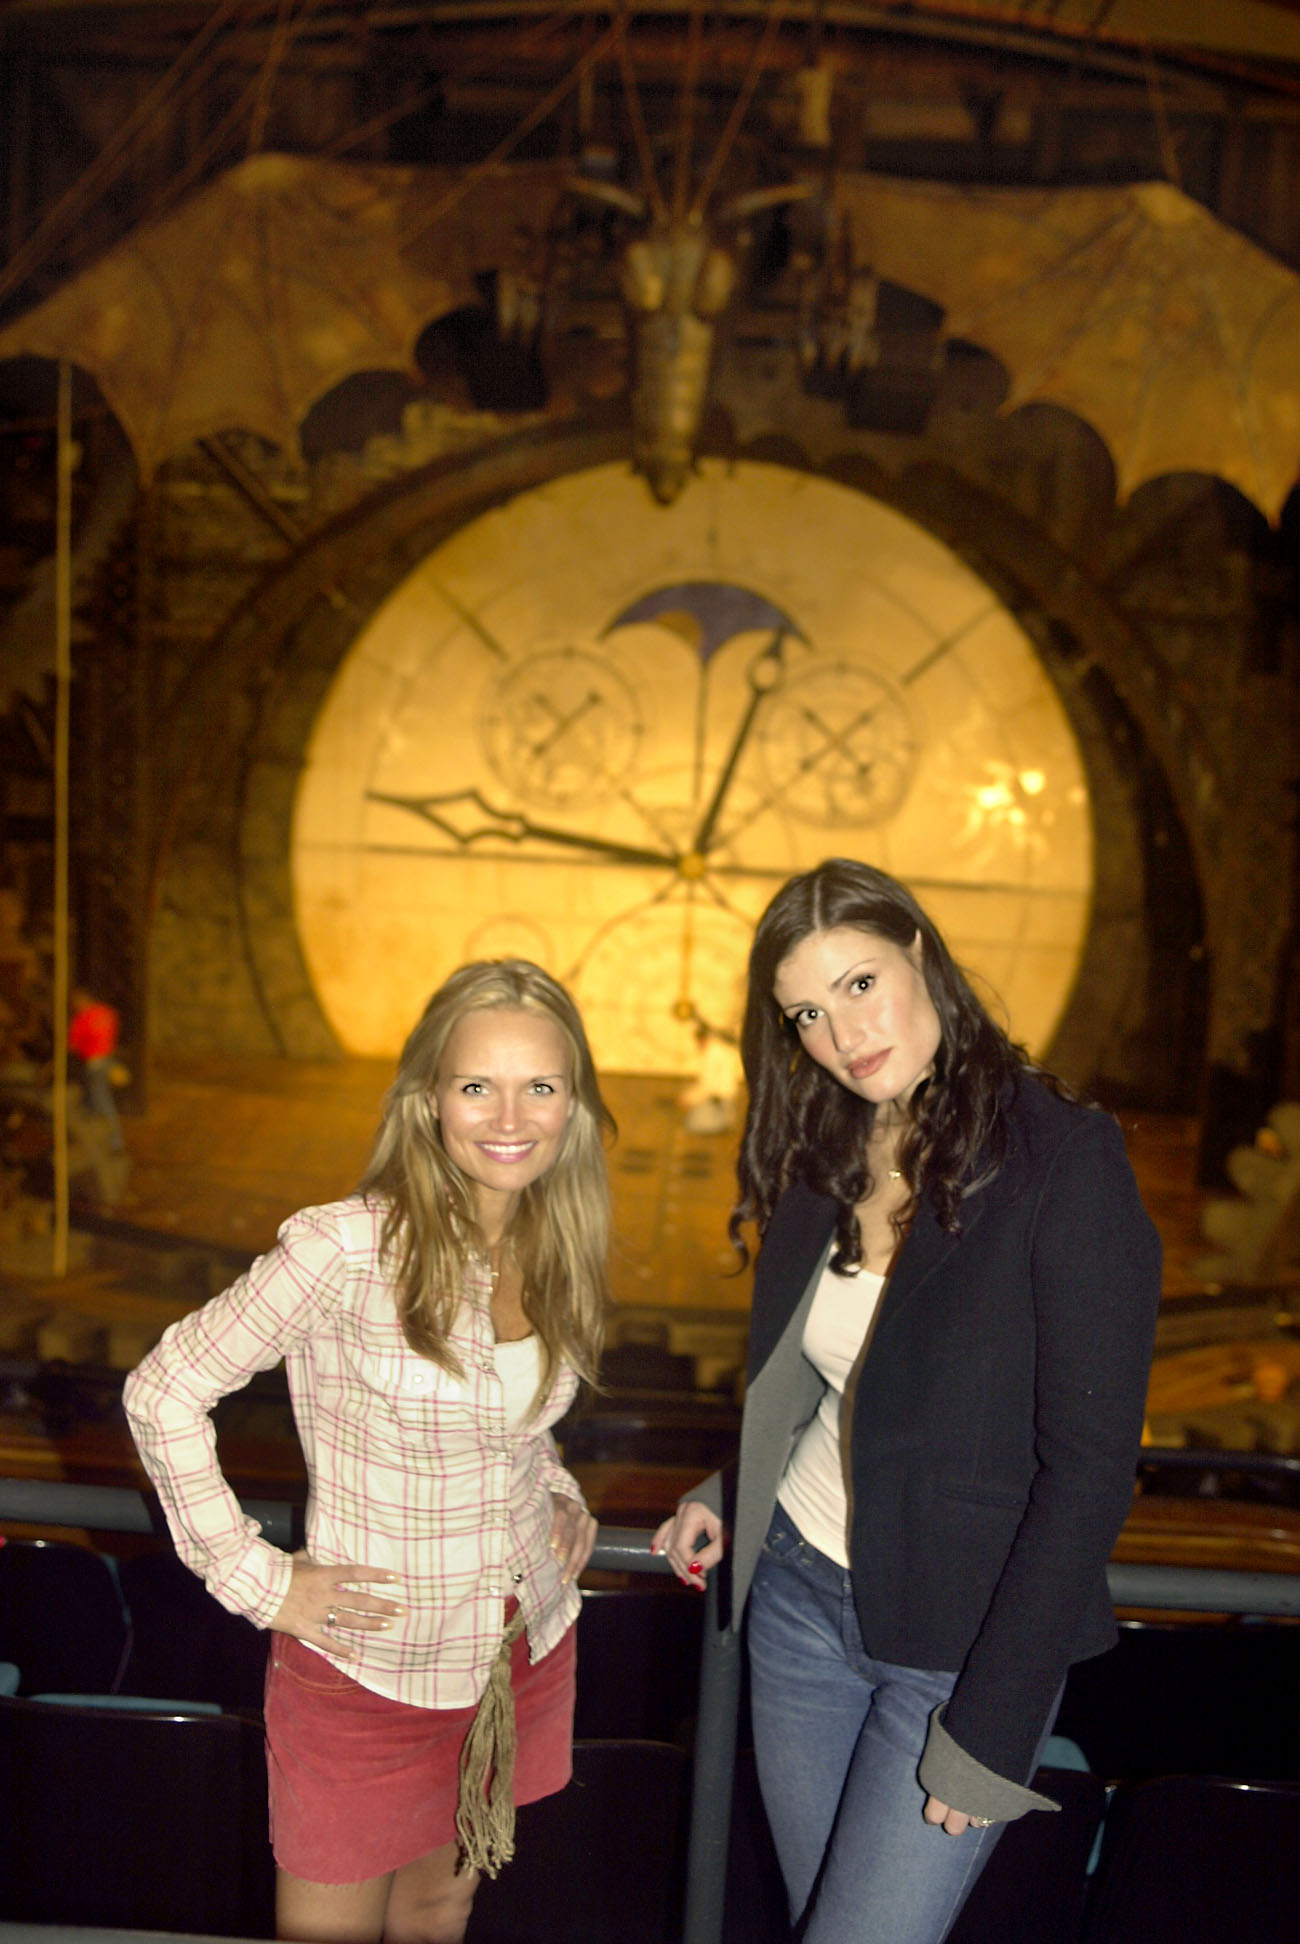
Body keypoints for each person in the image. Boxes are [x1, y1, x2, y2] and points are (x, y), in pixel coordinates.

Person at [654, 859, 1161, 1944]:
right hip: (794, 1599)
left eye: (860, 983)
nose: (842, 1033)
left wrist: (996, 1721)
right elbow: (831, 1380)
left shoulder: (1061, 1159)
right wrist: (732, 1485)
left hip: (956, 1642)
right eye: (806, 1011)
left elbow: (1087, 1473)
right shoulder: (824, 1148)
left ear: (921, 953)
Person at [125, 960, 612, 1944]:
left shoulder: (556, 1244)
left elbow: (515, 1423)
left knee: (440, 1912)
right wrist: (257, 1579)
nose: (508, 1114)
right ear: (429, 1101)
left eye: (541, 1086)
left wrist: (554, 1487)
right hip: (364, 1669)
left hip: (513, 1651)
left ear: (575, 1107)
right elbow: (162, 1391)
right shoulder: (345, 1252)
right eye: (477, 1085)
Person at [68, 984, 124, 1152]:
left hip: (94, 1064)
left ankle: (114, 1142)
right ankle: (102, 1142)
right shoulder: (106, 1012)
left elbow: (72, 1044)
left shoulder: (83, 1017)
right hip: (108, 1061)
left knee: (101, 1103)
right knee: (96, 1103)